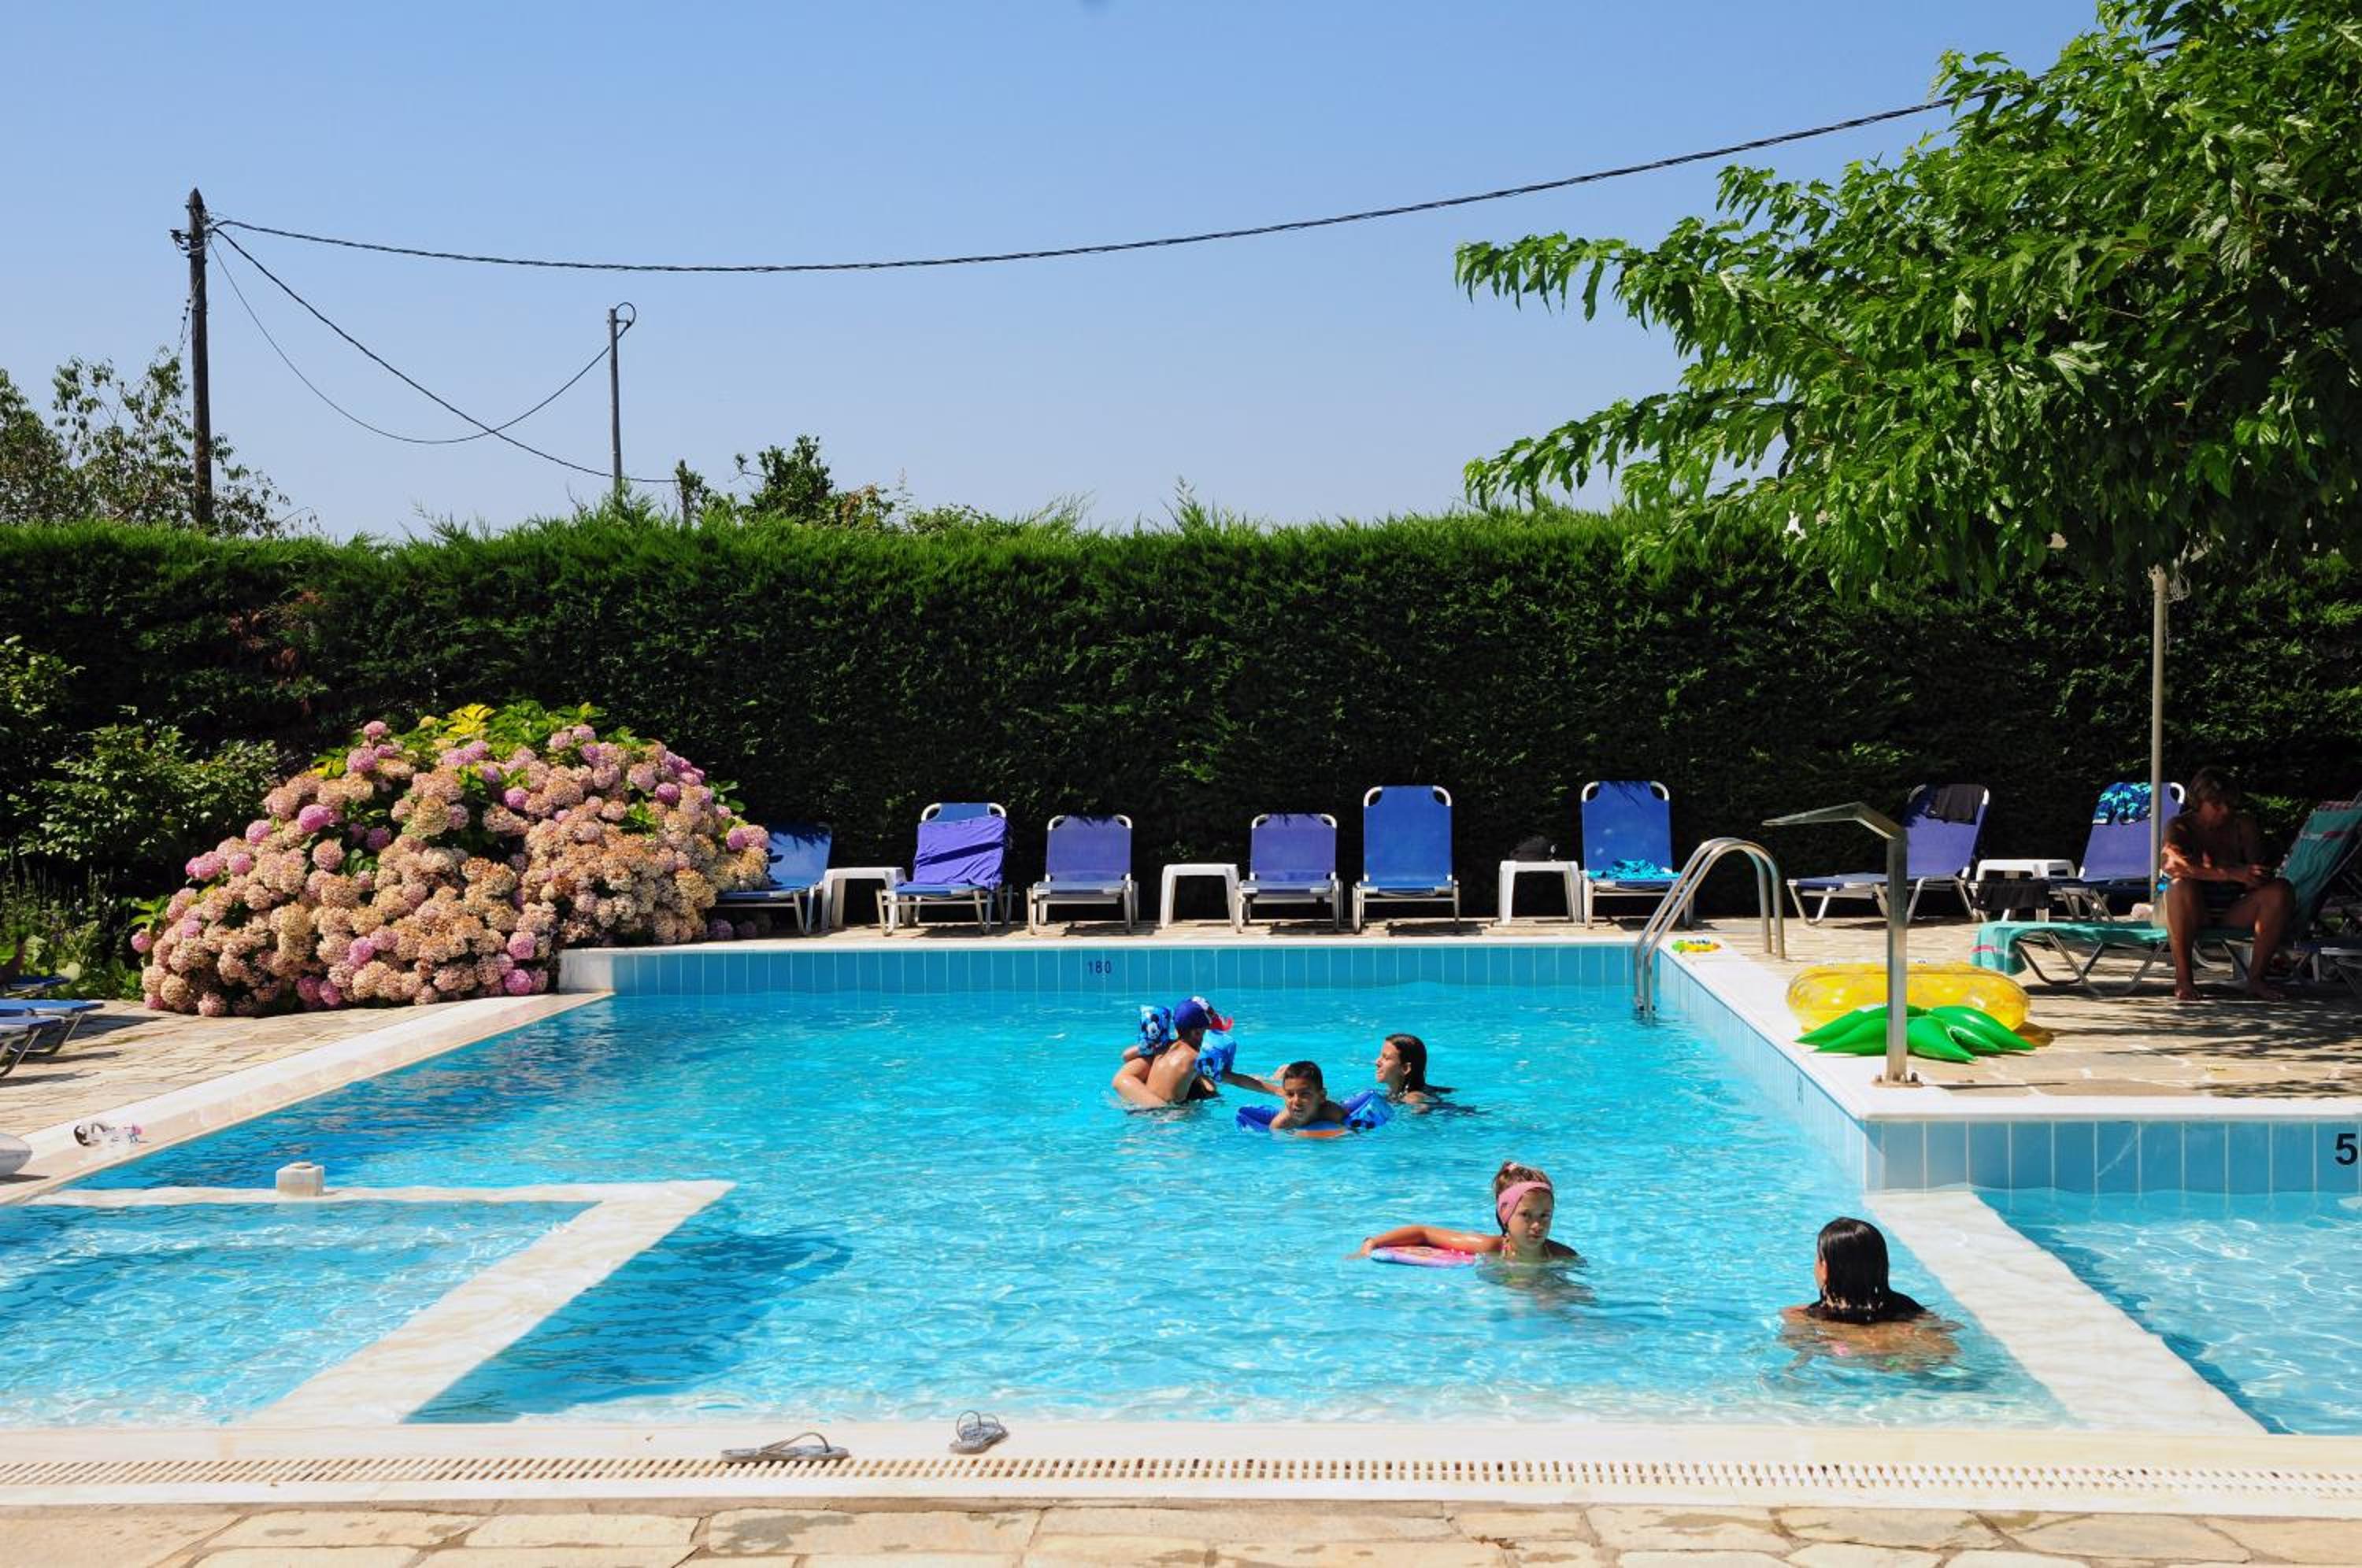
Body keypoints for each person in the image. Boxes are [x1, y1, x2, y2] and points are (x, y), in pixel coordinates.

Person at [2162, 766, 2296, 1001]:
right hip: (2191, 910)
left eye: (2230, 805)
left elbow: (2256, 872)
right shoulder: (2180, 825)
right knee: (2180, 885)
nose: (2225, 811)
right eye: (2216, 804)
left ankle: (2256, 980)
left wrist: (2256, 876)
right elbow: (2171, 865)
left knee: (2280, 890)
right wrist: (2230, 874)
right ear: (2199, 802)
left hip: (2232, 909)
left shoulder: (2242, 825)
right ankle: (2183, 979)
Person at [1780, 1216, 1957, 1368]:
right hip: (1909, 1358)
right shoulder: (1908, 1308)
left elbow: (1798, 1352)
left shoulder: (1802, 1317)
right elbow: (1948, 1349)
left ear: (1824, 1268)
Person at [1357, 1160, 1581, 1264]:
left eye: (1545, 1215)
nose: (1537, 1225)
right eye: (1526, 1215)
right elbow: (1424, 1233)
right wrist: (1373, 1243)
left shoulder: (1564, 1256)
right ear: (1505, 1216)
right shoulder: (1491, 1247)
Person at [1111, 996, 1241, 1109]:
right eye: (1211, 1033)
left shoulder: (1180, 1056)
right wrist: (1162, 1110)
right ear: (1195, 1032)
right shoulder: (1160, 1053)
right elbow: (1121, 1078)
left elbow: (1126, 1057)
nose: (1213, 1040)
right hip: (1161, 1114)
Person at [1373, 1032, 1453, 1111]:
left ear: (1405, 1068)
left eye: (1386, 1058)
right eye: (1380, 1056)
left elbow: (1420, 1109)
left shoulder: (1412, 1098)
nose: (1377, 1062)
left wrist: (1420, 1110)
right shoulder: (1394, 1093)